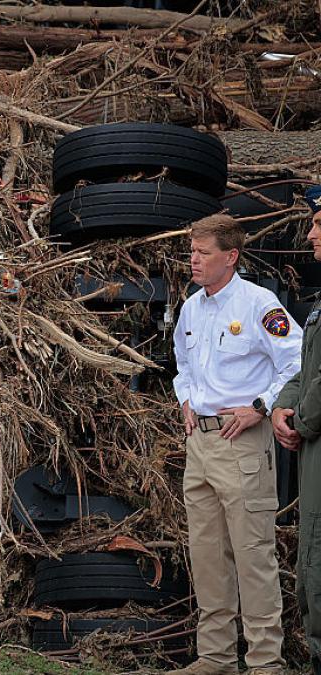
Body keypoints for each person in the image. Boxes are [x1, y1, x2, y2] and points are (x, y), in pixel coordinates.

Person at [169, 213, 301, 675]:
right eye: (192, 251)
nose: (194, 260)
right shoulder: (191, 308)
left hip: (242, 443)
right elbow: (181, 364)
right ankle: (217, 658)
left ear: (231, 257)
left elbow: (298, 362)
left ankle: (266, 662)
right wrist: (185, 399)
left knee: (252, 557)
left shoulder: (258, 304)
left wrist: (260, 407)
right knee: (207, 558)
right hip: (199, 445)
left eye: (203, 253)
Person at [272, 185, 321, 674]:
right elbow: (304, 371)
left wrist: (300, 421)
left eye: (318, 224)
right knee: (311, 553)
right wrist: (283, 408)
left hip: (316, 439)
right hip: (311, 445)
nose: (310, 233)